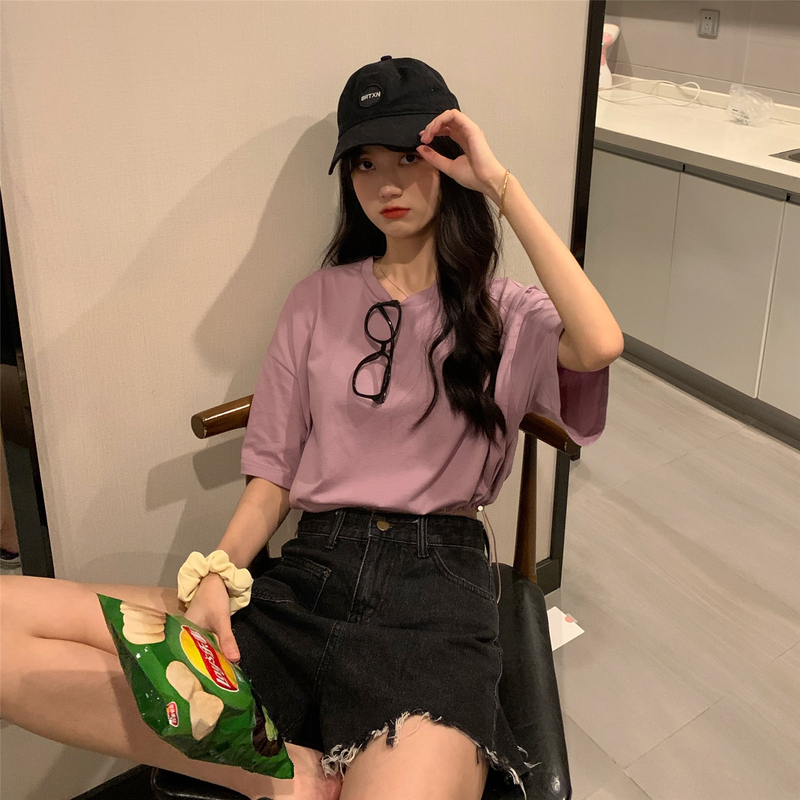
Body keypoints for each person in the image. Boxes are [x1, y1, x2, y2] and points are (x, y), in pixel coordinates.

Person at [0, 56, 621, 800]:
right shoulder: (315, 300)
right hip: (306, 581)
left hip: (434, 600)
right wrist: (219, 573)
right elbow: (273, 475)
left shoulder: (504, 310)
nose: (386, 184)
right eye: (364, 163)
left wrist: (499, 184)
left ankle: (283, 767)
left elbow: (599, 343)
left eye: (409, 158)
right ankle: (291, 776)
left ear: (449, 162)